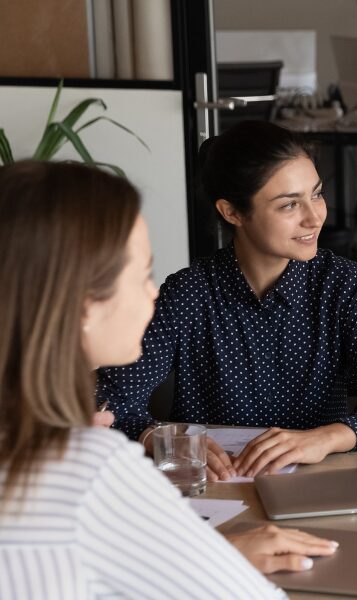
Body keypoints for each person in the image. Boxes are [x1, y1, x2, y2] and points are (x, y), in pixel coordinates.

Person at [0, 161, 337, 597]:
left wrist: (199, 552)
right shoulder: (84, 470)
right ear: (83, 305)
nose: (154, 292)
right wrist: (209, 556)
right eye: (142, 274)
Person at [96, 121, 357, 481]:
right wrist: (159, 438)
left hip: (319, 482)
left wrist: (324, 439)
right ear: (232, 212)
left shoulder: (344, 285)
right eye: (289, 205)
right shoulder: (188, 293)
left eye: (316, 193)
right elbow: (111, 404)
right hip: (214, 488)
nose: (314, 216)